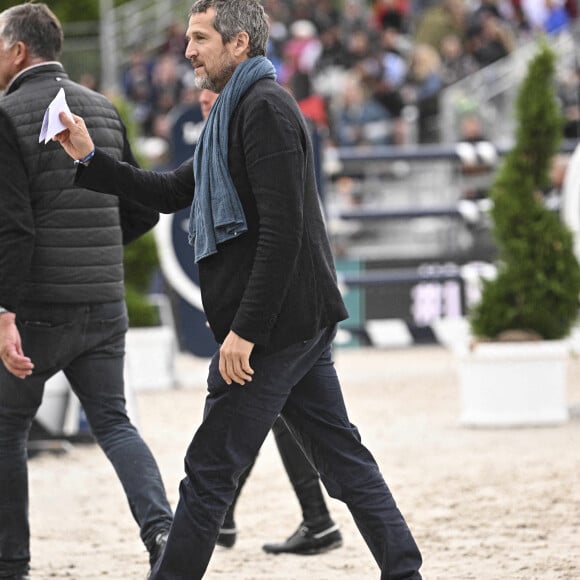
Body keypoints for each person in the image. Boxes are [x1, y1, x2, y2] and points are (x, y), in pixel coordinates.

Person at [54, 1, 423, 578]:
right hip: (291, 322)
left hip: (272, 329)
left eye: (199, 38)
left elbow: (283, 234)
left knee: (207, 475)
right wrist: (91, 159)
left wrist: (244, 332)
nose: (187, 50)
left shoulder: (265, 109)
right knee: (344, 462)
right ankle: (405, 570)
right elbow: (174, 188)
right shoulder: (234, 109)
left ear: (240, 44)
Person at [0, 4, 173, 579]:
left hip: (38, 309)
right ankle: (162, 532)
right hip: (105, 299)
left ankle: (11, 561)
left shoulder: (5, 115)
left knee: (6, 427)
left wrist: (5, 309)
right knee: (116, 424)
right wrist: (99, 248)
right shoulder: (102, 107)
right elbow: (140, 206)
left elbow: (14, 227)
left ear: (18, 50)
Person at [193, 89, 342, 555]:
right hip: (282, 313)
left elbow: (280, 235)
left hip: (286, 312)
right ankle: (313, 520)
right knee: (281, 418)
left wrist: (246, 328)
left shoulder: (259, 120)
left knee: (252, 425)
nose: (202, 104)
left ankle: (231, 519)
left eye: (209, 97)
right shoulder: (218, 143)